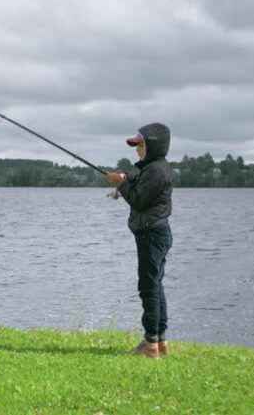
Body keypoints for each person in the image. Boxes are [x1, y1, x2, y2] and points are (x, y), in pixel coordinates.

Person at [106, 122, 173, 358]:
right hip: (156, 233)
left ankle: (150, 343)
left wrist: (121, 184)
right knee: (155, 284)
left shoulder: (156, 170)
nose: (136, 150)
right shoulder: (155, 168)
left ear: (153, 146)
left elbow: (138, 199)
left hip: (151, 235)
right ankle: (160, 341)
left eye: (140, 145)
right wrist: (127, 178)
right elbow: (141, 184)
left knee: (148, 287)